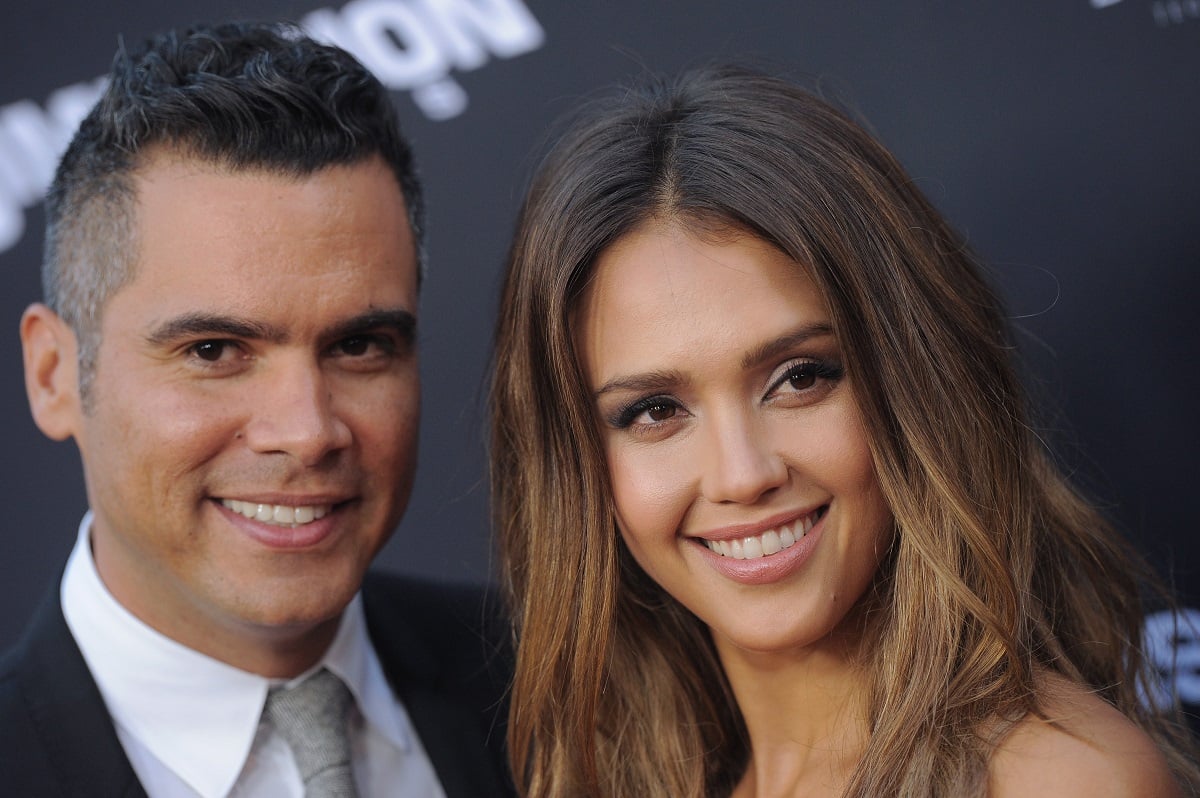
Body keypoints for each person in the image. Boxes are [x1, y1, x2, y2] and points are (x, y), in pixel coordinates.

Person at [490, 65, 1199, 797]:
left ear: (916, 383)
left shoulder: (1059, 781)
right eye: (655, 411)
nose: (743, 474)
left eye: (801, 377)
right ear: (574, 461)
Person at [0, 21, 513, 798]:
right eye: (214, 351)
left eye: (359, 345)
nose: (307, 432)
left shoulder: (566, 683)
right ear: (54, 376)